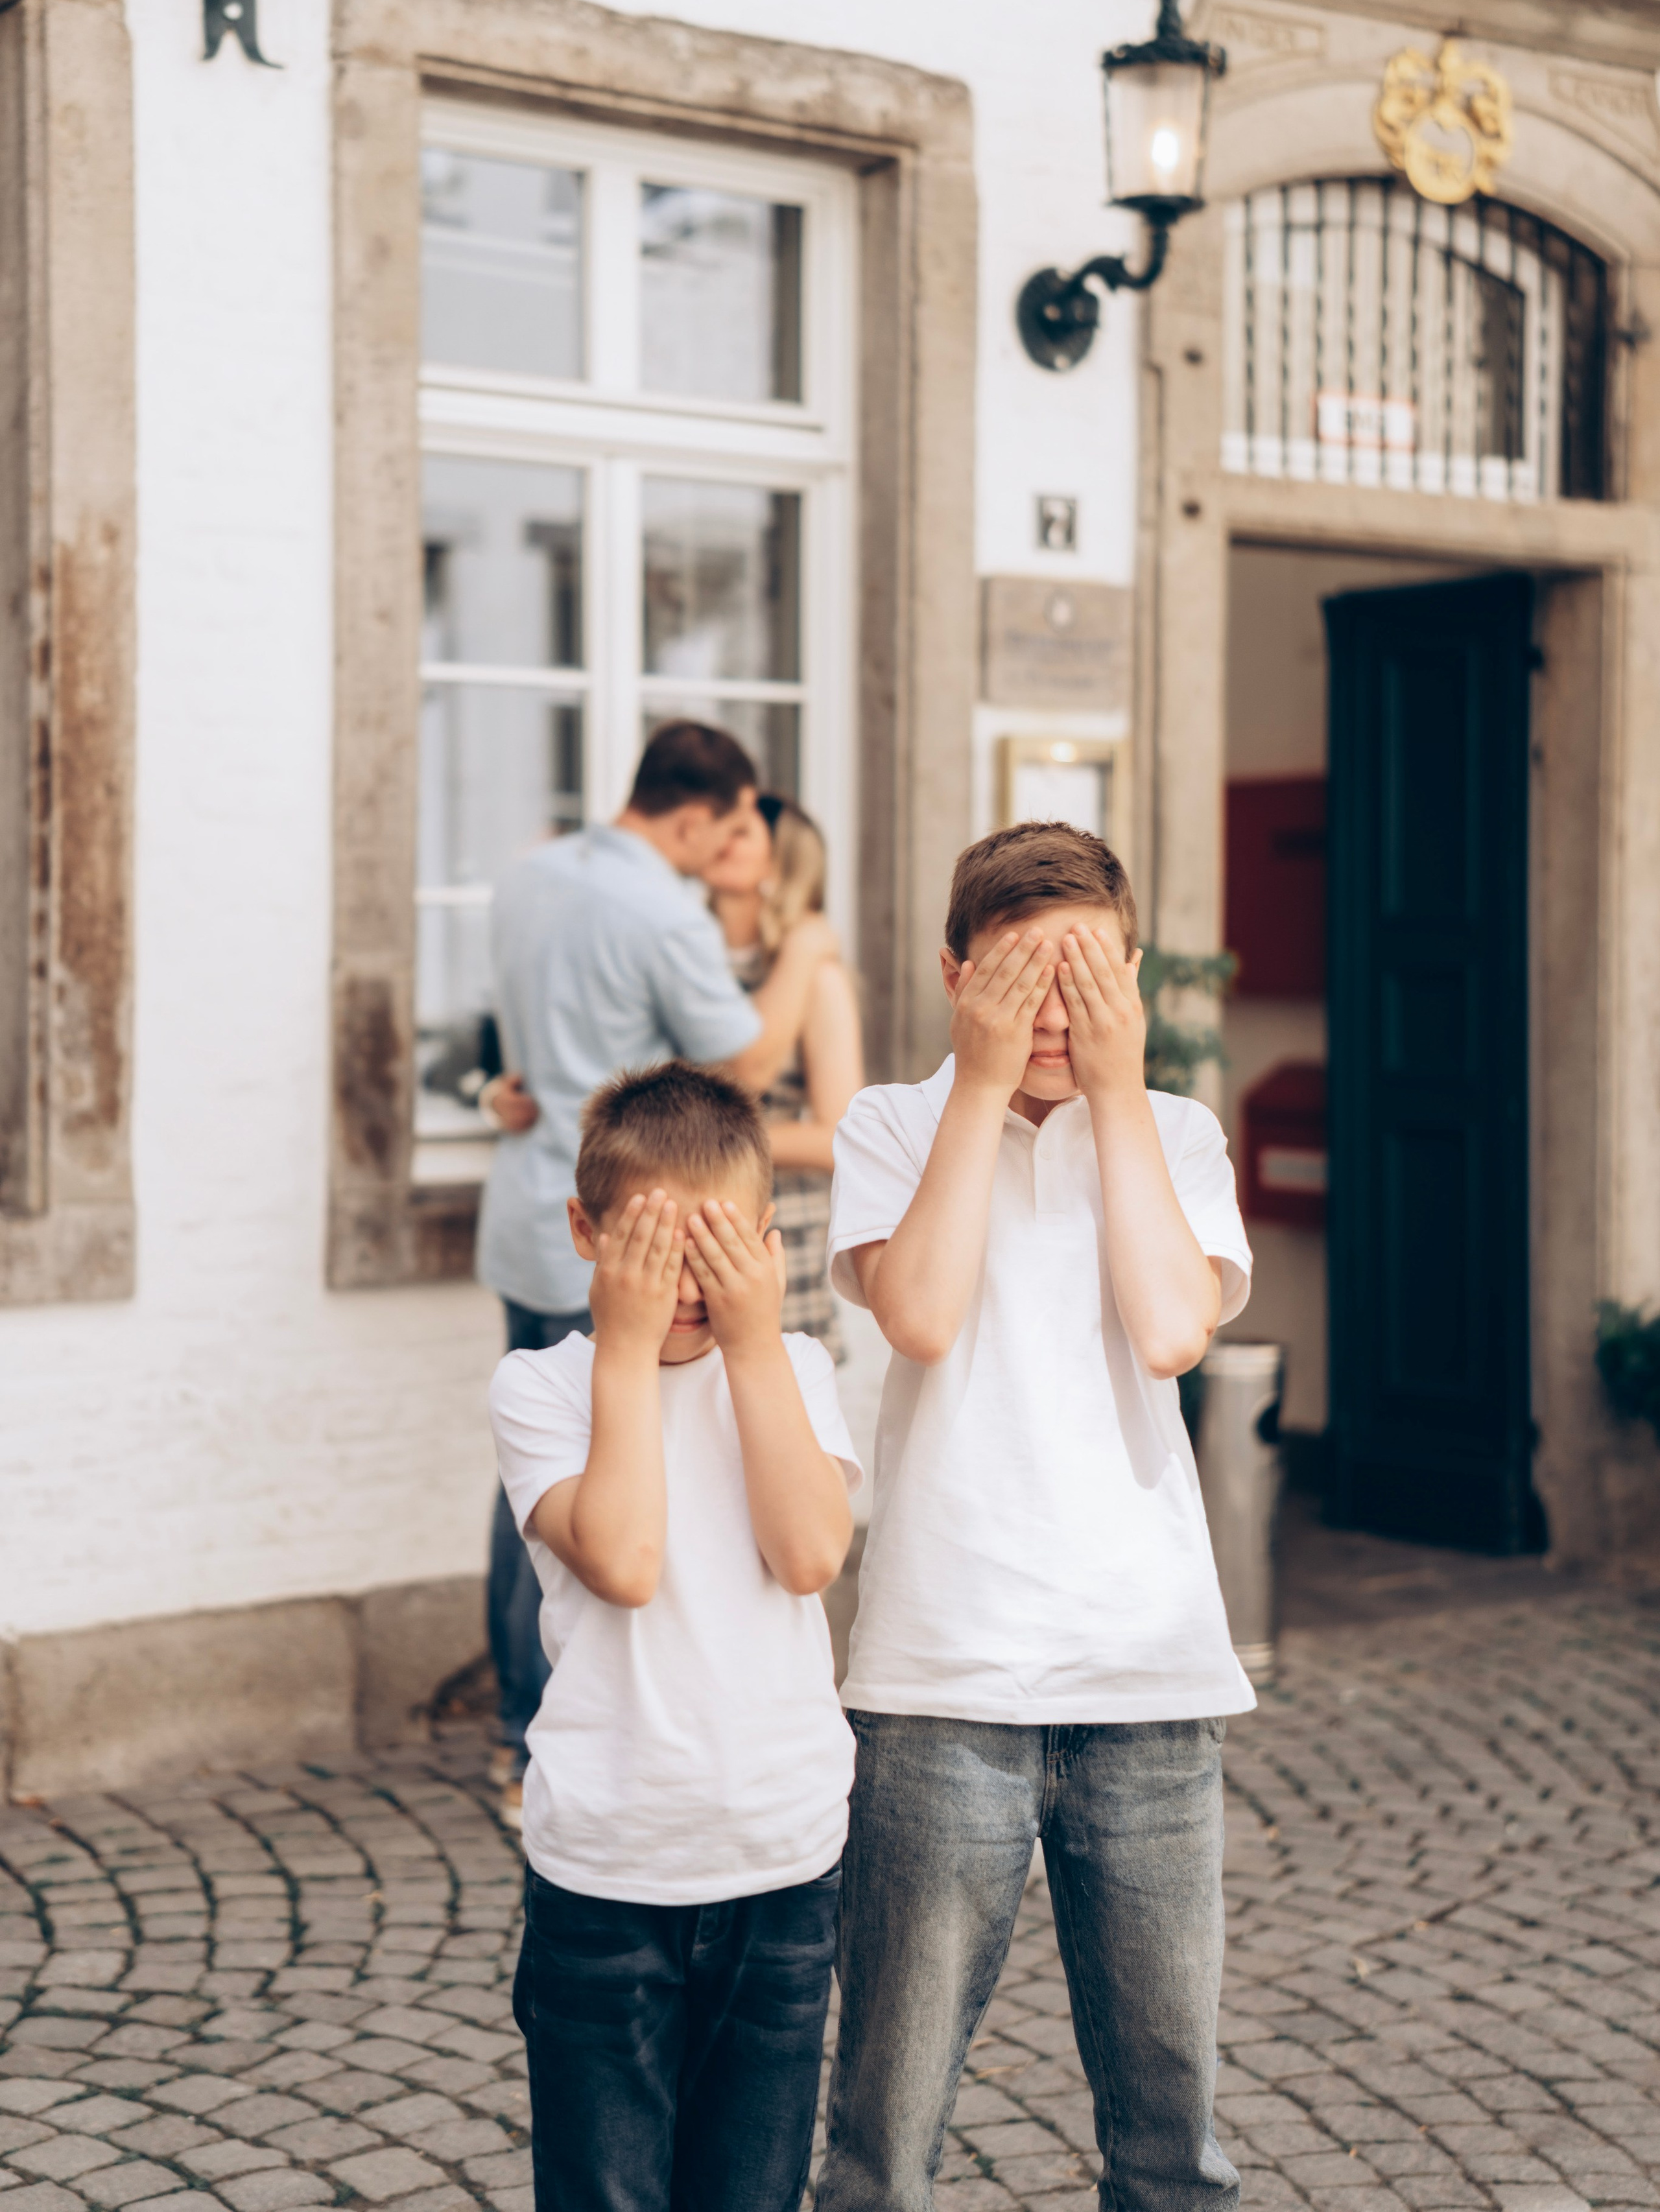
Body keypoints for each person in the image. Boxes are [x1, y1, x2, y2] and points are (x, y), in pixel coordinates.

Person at [814, 819, 1255, 2212]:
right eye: (1019, 981)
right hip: (945, 1671)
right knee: (883, 2131)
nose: (1053, 1016)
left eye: (1088, 980)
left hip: (1147, 1670)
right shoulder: (893, 1123)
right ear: (955, 976)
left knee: (1168, 2133)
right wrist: (979, 1087)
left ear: (1129, 972)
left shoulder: (1175, 1134)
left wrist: (1120, 1097)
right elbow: (924, 1314)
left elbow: (1173, 1328)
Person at [489, 1060, 860, 2212]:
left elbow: (809, 1558)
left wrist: (755, 1346)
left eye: (718, 1250)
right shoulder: (541, 1388)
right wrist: (622, 1350)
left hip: (781, 1862)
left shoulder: (794, 1368)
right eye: (657, 1245)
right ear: (586, 1234)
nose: (688, 1283)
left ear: (763, 1243)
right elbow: (626, 1561)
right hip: (607, 1869)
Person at [475, 719, 839, 1828]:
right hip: (644, 1235)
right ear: (696, 817)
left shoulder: (530, 873)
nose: (731, 850)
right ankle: (593, 1722)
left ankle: (520, 1723)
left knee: (535, 1484)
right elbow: (749, 1068)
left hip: (541, 1212)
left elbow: (518, 1052)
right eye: (730, 828)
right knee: (601, 1467)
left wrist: (504, 1092)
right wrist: (812, 955)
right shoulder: (661, 912)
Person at [705, 790, 864, 1358]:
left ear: (779, 862)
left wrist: (694, 1141)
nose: (718, 836)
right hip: (684, 1221)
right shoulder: (685, 960)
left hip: (774, 1226)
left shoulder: (814, 974)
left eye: (741, 832)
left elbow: (836, 1135)